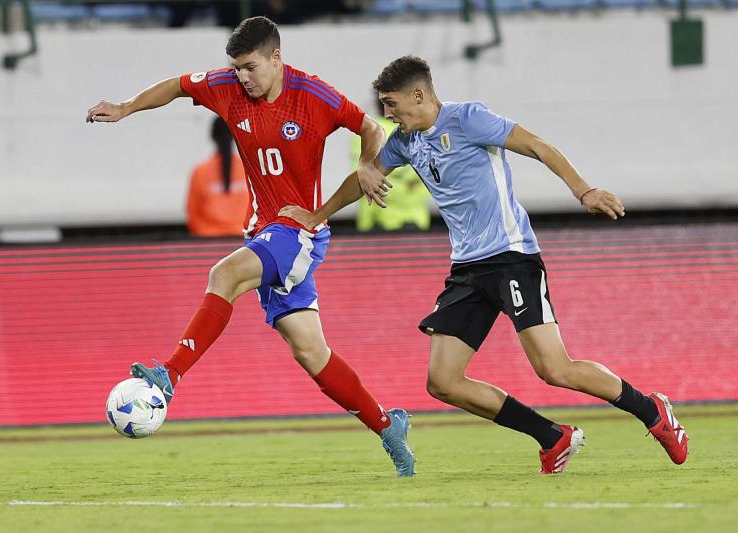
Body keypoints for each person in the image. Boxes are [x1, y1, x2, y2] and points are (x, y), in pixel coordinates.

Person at [279, 55, 688, 474]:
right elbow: (363, 178)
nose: (387, 113)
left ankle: (652, 411)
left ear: (418, 95)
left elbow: (538, 146)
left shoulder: (468, 118)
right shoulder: (404, 141)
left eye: (391, 103)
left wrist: (584, 191)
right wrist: (320, 212)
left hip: (511, 257)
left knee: (554, 369)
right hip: (467, 269)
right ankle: (552, 437)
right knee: (443, 382)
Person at [85, 17, 415, 476]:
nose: (242, 76)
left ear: (276, 58)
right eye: (237, 68)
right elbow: (177, 86)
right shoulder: (227, 86)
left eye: (250, 67)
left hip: (298, 230)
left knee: (224, 274)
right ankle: (388, 426)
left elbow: (370, 128)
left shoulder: (313, 94)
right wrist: (126, 107)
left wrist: (365, 164)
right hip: (263, 232)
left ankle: (170, 374)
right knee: (311, 353)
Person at [353, 99, 431, 232]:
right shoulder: (421, 133)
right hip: (415, 221)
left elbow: (362, 182)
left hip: (378, 221)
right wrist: (407, 188)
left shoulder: (366, 134)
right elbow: (429, 181)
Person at [186, 117, 249, 237]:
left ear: (213, 137)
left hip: (209, 238)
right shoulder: (249, 168)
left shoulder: (200, 171)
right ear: (234, 136)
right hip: (243, 238)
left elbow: (193, 215)